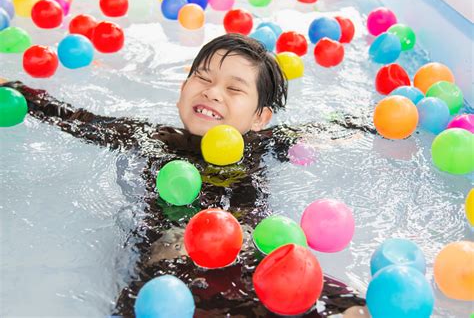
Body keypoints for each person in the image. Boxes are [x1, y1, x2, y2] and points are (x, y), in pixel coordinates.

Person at [1, 34, 373, 317]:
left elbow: (336, 130)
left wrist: (381, 121)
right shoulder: (152, 138)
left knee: (353, 308)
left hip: (260, 264)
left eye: (233, 89)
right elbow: (79, 121)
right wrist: (19, 92)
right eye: (202, 78)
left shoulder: (264, 143)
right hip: (174, 270)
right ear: (182, 90)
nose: (212, 92)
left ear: (260, 117)